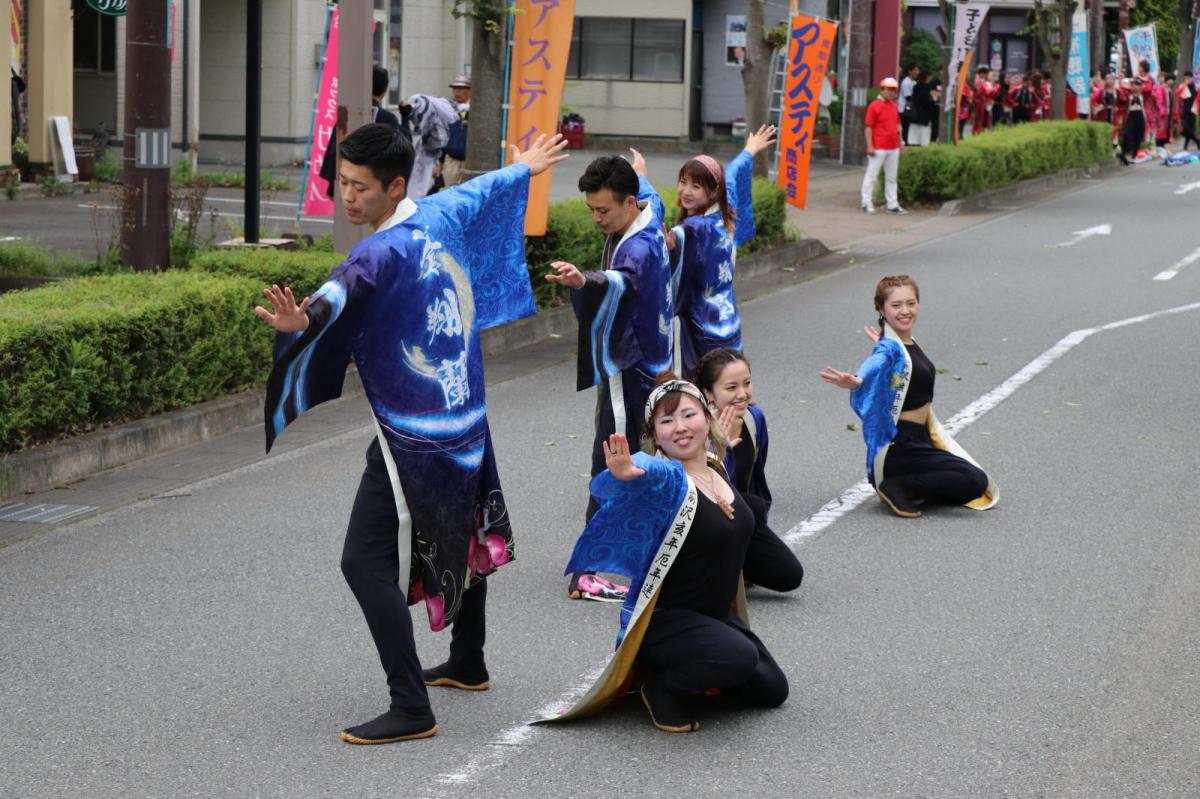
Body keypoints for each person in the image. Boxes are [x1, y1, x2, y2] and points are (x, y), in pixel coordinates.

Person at [254, 124, 568, 745]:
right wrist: (525, 168)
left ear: (395, 184)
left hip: (415, 434)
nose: (347, 197)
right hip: (464, 412)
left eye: (359, 187)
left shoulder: (379, 251)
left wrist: (302, 320)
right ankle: (469, 659)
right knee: (462, 527)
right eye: (340, 183)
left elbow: (338, 296)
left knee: (362, 561)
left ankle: (410, 705)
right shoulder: (437, 212)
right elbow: (482, 193)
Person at [537, 375, 790, 732]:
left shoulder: (716, 468)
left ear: (707, 417)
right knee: (739, 658)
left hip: (713, 618)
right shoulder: (667, 480)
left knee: (772, 690)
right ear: (655, 435)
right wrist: (627, 473)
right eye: (666, 422)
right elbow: (639, 472)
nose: (681, 428)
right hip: (665, 623)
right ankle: (662, 687)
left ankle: (702, 665)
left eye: (689, 416)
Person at [546, 151, 671, 602]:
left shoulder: (637, 242)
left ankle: (623, 555)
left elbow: (619, 280)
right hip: (635, 366)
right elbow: (615, 278)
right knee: (617, 458)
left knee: (623, 459)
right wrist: (640, 172)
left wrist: (586, 283)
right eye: (591, 210)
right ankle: (588, 570)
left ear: (630, 203)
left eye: (604, 210)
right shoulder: (648, 217)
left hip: (637, 364)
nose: (597, 218)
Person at [818, 274, 998, 518]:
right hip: (901, 445)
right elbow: (876, 361)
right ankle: (896, 485)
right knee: (975, 481)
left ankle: (909, 485)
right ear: (882, 310)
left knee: (972, 483)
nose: (905, 310)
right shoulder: (889, 347)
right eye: (896, 305)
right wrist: (859, 380)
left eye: (911, 303)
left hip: (920, 440)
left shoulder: (904, 343)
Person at [666, 125, 775, 378]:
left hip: (700, 327)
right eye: (683, 182)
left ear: (713, 191)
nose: (685, 191)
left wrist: (640, 181)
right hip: (729, 321)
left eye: (696, 186)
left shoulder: (692, 229)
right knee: (730, 387)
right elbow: (732, 176)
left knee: (702, 394)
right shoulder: (727, 216)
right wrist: (749, 150)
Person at [694, 348, 802, 593]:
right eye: (731, 388)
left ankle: (735, 563)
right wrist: (714, 451)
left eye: (747, 383)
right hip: (705, 524)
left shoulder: (755, 418)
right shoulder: (697, 430)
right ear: (708, 393)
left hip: (741, 518)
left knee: (788, 575)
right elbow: (696, 491)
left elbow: (756, 477)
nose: (742, 394)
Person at [318, 65, 408, 199]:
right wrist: (406, 118)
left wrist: (332, 186)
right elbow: (401, 153)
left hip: (346, 185)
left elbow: (335, 150)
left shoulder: (348, 115)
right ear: (385, 89)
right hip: (375, 189)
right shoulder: (388, 119)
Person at [861, 76, 907, 215]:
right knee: (872, 175)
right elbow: (868, 127)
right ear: (882, 89)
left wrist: (902, 142)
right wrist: (870, 146)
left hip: (893, 147)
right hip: (879, 146)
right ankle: (866, 202)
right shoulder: (874, 106)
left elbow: (898, 125)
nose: (892, 92)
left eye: (894, 90)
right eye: (889, 89)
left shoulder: (893, 106)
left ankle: (892, 204)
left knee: (892, 177)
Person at [439, 74, 471, 188]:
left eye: (461, 89)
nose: (457, 92)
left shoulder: (476, 109)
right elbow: (442, 135)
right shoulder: (448, 109)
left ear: (469, 91)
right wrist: (440, 162)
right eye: (455, 89)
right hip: (451, 161)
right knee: (450, 194)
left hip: (470, 161)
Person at [1117, 76, 1151, 165]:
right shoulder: (1128, 96)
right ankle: (1123, 154)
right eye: (1133, 85)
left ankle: (1134, 156)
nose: (1135, 87)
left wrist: (1141, 79)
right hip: (1131, 116)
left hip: (1140, 117)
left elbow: (1149, 86)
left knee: (1138, 137)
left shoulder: (1144, 96)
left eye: (1137, 85)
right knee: (1128, 134)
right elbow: (1121, 91)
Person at [905, 71, 938, 146]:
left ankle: (913, 143)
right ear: (927, 77)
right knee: (923, 132)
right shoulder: (925, 87)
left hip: (915, 113)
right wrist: (933, 100)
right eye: (930, 76)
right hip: (923, 114)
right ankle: (922, 144)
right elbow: (925, 100)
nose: (931, 78)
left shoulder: (916, 86)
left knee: (914, 133)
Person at [899, 63, 920, 144]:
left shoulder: (913, 82)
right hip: (904, 108)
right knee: (905, 127)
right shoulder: (906, 82)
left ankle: (907, 141)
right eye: (915, 70)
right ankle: (904, 142)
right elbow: (908, 97)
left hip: (909, 109)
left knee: (908, 127)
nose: (917, 72)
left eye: (918, 70)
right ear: (909, 71)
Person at [1178, 72, 1199, 149]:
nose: (1187, 79)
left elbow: (1195, 98)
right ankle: (1197, 141)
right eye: (1185, 78)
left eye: (1188, 78)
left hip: (1192, 111)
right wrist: (1184, 85)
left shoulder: (1195, 87)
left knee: (1190, 129)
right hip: (1184, 110)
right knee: (1184, 129)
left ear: (1191, 78)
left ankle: (1185, 146)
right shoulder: (1183, 86)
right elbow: (1179, 94)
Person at [972, 66, 995, 133]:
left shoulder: (984, 82)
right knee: (980, 119)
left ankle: (983, 131)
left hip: (984, 103)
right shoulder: (978, 81)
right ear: (980, 74)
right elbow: (985, 91)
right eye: (982, 73)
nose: (984, 75)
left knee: (985, 118)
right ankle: (978, 131)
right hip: (979, 103)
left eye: (985, 73)